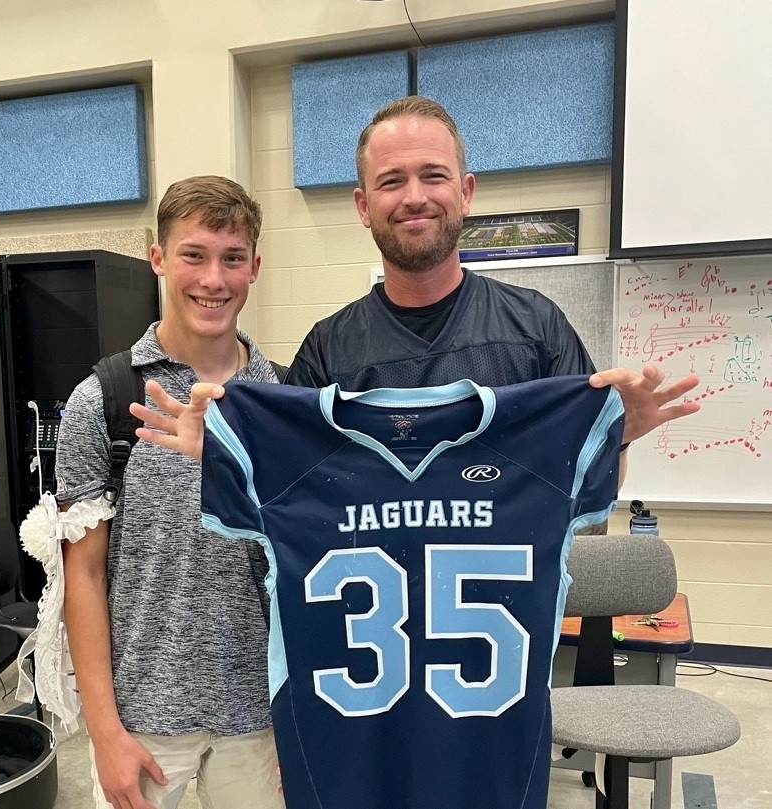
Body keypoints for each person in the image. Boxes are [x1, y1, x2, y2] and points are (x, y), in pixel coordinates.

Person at [133, 96, 700, 461]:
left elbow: (583, 490)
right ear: (362, 204)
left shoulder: (537, 329)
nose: (414, 197)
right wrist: (228, 454)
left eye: (433, 175)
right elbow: (293, 490)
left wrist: (618, 436)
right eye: (391, 181)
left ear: (465, 191)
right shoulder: (328, 353)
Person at [57, 176, 285, 809]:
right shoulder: (101, 399)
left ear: (254, 269)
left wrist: (304, 722)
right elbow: (85, 574)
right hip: (144, 717)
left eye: (232, 258)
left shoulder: (285, 402)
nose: (213, 278)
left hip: (262, 718)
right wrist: (104, 734)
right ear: (158, 258)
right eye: (194, 254)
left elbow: (306, 563)